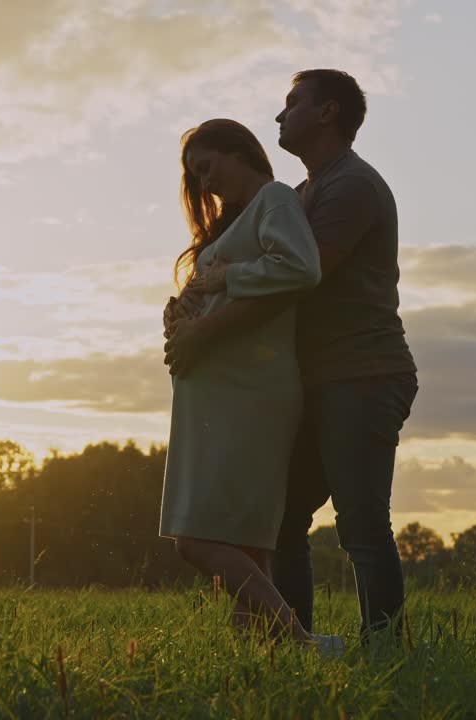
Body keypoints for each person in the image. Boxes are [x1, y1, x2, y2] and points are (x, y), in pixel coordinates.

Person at [166, 70, 418, 641]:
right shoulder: (304, 192)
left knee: (361, 526)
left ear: (327, 113)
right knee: (283, 522)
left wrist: (212, 317)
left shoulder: (349, 185)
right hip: (318, 378)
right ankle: (298, 643)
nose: (280, 117)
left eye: (291, 104)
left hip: (363, 372)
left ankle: (385, 649)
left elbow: (300, 279)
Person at [157, 118, 330, 648]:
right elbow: (217, 288)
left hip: (248, 392)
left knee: (197, 539)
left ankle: (303, 640)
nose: (205, 183)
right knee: (245, 539)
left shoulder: (274, 199)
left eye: (208, 166)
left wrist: (224, 279)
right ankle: (262, 655)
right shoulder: (233, 224)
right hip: (217, 392)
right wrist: (181, 313)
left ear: (240, 151)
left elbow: (301, 267)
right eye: (196, 176)